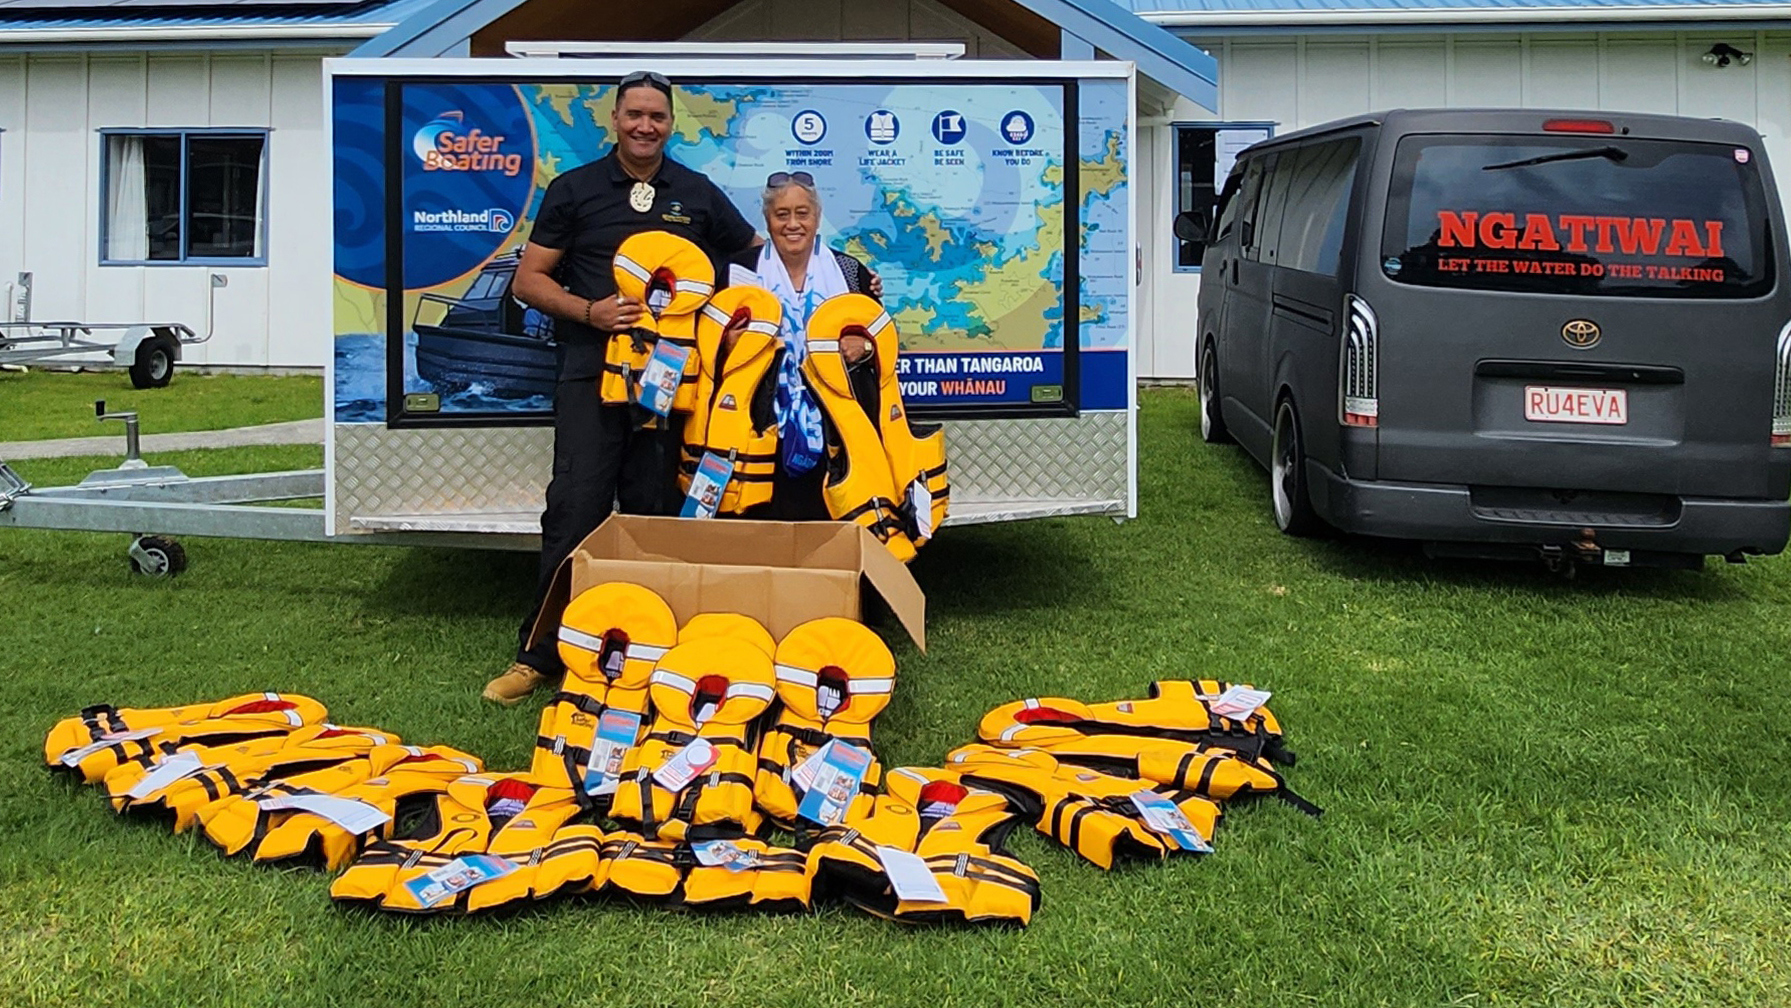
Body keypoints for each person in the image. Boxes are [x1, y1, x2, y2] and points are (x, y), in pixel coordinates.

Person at [484, 70, 758, 706]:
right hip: (589, 377)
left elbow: (756, 260)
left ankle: (652, 654)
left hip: (672, 389)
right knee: (575, 512)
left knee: (656, 517)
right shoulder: (575, 189)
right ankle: (539, 655)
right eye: (634, 114)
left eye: (657, 116)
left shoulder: (696, 191)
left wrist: (845, 277)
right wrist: (590, 313)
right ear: (614, 119)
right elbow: (529, 280)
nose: (645, 126)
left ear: (671, 123)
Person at [722, 171, 880, 520]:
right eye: (782, 214)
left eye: (802, 213)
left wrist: (863, 347)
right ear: (767, 219)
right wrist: (726, 342)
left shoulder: (850, 272)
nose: (792, 224)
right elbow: (711, 344)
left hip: (834, 427)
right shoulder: (737, 271)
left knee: (827, 524)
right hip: (760, 423)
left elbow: (880, 345)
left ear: (817, 216)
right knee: (763, 528)